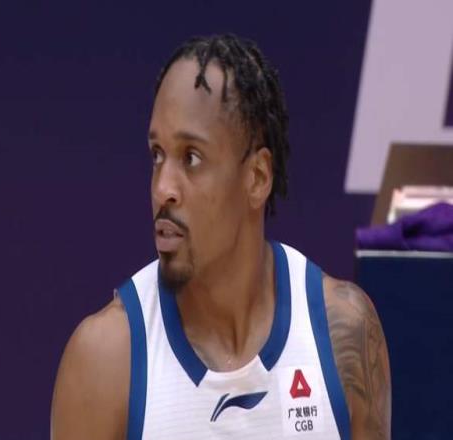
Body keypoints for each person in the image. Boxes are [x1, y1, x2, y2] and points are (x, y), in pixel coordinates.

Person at [50, 34, 391, 440]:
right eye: (157, 154)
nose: (163, 188)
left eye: (191, 158)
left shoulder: (344, 334)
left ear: (257, 178)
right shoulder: (104, 360)